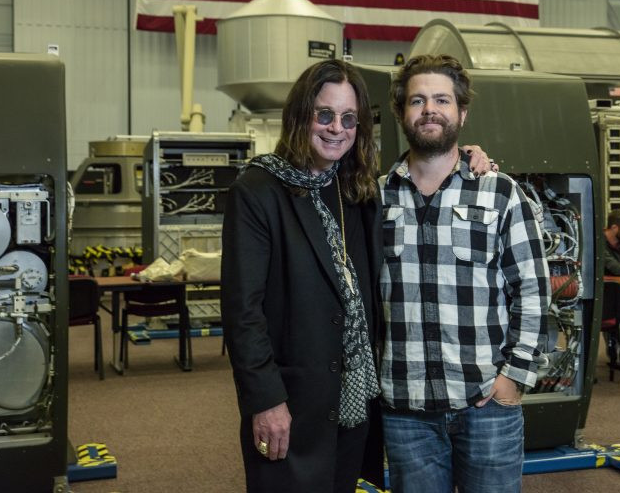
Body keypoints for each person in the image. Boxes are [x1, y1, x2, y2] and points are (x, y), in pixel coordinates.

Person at [221, 59, 492, 492]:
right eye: (324, 115)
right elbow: (242, 312)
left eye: (349, 118)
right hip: (291, 403)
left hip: (353, 404)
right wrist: (265, 400)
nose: (336, 128)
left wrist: (469, 155)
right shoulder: (258, 191)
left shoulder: (356, 190)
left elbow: (431, 162)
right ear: (300, 115)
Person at [378, 54, 549, 493]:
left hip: (486, 404)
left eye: (442, 99)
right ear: (401, 112)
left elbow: (532, 289)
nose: (429, 110)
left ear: (462, 112)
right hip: (406, 410)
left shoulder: (499, 192)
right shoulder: (375, 199)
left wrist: (514, 377)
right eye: (417, 100)